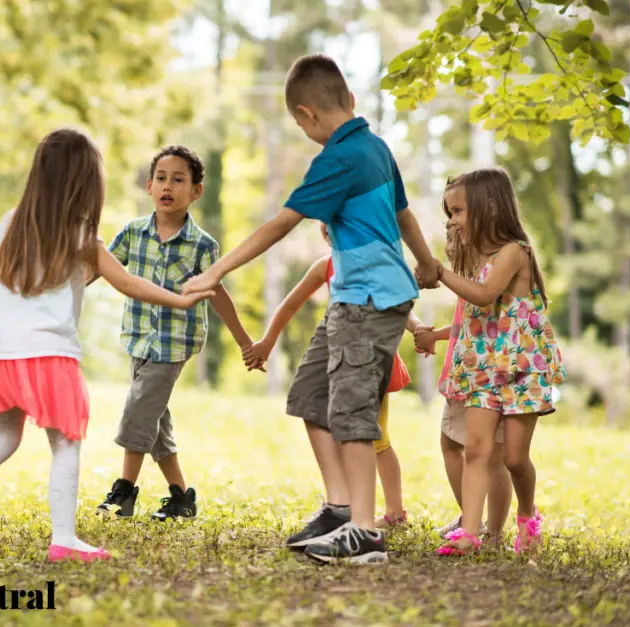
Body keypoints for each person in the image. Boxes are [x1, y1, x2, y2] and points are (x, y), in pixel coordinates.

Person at [0, 128, 215, 562]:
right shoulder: (81, 234)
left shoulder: (12, 222)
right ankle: (64, 539)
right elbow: (129, 283)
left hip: (0, 352)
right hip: (50, 355)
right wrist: (180, 297)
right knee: (66, 444)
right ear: (86, 181)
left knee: (4, 436)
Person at [183, 54, 441, 564]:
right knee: (311, 393)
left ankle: (365, 533)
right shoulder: (375, 147)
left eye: (299, 124)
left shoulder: (339, 157)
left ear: (306, 115)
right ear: (349, 99)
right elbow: (404, 213)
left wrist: (215, 272)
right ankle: (342, 510)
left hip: (369, 299)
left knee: (351, 411)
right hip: (353, 298)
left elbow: (280, 224)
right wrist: (427, 261)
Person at [96, 145, 255, 522]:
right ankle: (181, 496)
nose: (168, 186)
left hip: (174, 343)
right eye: (162, 179)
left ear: (196, 191)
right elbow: (102, 269)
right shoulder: (133, 233)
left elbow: (218, 294)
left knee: (138, 410)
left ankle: (124, 490)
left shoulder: (202, 245)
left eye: (179, 180)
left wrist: (245, 341)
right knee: (155, 418)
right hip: (138, 337)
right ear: (149, 186)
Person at [243, 222, 425, 537]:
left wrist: (420, 329)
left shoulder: (373, 268)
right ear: (327, 237)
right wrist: (268, 342)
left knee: (376, 439)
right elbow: (289, 305)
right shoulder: (325, 267)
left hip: (372, 360)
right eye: (331, 232)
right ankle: (347, 506)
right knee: (342, 434)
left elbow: (401, 310)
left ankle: (394, 511)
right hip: (337, 360)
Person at [425, 168, 565, 556]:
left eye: (458, 211)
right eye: (449, 213)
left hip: (522, 368)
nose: (452, 220)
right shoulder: (474, 255)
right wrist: (444, 260)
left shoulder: (515, 251)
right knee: (476, 448)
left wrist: (441, 272)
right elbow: (468, 299)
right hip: (483, 368)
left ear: (489, 206)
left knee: (515, 459)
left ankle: (527, 516)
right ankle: (470, 533)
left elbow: (485, 295)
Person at [414, 222, 512, 546]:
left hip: (486, 375)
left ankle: (487, 529)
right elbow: (463, 323)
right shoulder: (473, 273)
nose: (450, 224)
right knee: (459, 447)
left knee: (484, 454)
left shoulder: (497, 265)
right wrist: (435, 336)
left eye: (457, 214)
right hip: (466, 373)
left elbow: (484, 311)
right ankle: (479, 523)